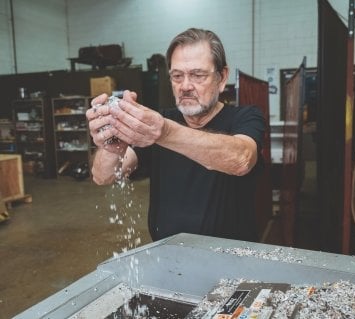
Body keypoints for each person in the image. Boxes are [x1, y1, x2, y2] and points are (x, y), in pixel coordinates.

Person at [86, 28, 266, 242]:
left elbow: (241, 159)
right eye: (177, 76)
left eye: (198, 75)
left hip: (231, 262)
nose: (186, 86)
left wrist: (164, 132)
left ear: (222, 77)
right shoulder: (160, 121)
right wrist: (111, 145)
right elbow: (103, 176)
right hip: (168, 259)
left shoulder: (245, 117)